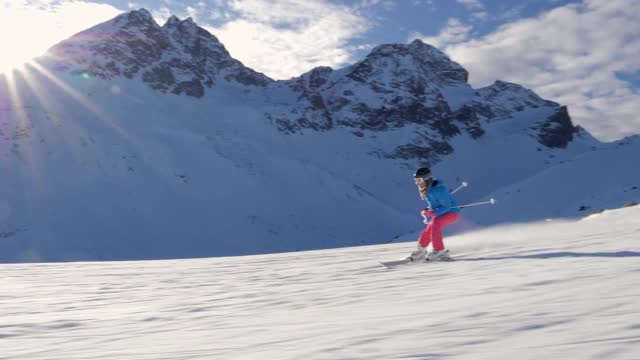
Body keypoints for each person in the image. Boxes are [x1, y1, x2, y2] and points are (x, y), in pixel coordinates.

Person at [407, 167, 461, 261]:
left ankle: (439, 250)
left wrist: (433, 213)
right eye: (415, 180)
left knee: (436, 223)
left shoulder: (439, 190)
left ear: (426, 179)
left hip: (452, 212)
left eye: (419, 180)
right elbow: (434, 204)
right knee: (429, 228)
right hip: (441, 213)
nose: (417, 183)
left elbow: (446, 207)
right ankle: (421, 250)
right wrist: (427, 210)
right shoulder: (427, 189)